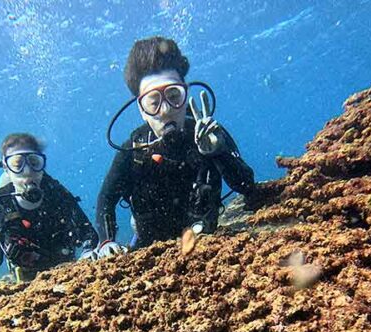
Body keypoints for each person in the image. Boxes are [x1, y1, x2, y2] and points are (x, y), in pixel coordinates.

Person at [96, 36, 255, 255]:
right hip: (148, 252)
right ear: (142, 110)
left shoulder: (210, 135)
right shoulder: (132, 151)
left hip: (206, 247)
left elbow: (247, 187)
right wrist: (106, 242)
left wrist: (221, 154)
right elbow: (106, 198)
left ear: (185, 95)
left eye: (173, 96)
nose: (165, 110)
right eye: (153, 102)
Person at [0, 133, 98, 282]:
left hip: (66, 272)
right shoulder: (1, 202)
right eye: (17, 164)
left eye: (34, 162)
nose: (27, 171)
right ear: (6, 168)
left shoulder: (56, 192)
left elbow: (87, 232)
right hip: (25, 278)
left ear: (42, 165)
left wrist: (88, 252)